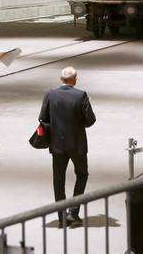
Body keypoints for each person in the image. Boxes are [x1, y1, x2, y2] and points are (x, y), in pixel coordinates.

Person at [38, 66, 96, 228]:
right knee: (82, 174)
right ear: (74, 79)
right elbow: (90, 120)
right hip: (77, 144)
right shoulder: (81, 95)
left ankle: (62, 217)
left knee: (58, 180)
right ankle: (74, 212)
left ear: (61, 79)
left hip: (57, 145)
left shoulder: (50, 94)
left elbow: (42, 118)